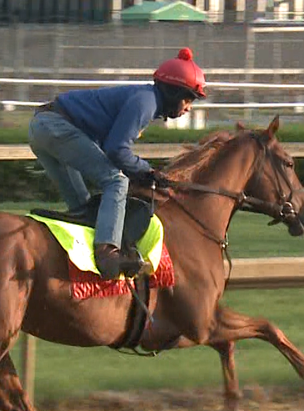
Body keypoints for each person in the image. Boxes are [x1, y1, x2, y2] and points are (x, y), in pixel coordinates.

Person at [28, 47, 207, 280]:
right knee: (116, 181)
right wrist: (147, 170)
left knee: (85, 210)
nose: (188, 108)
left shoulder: (144, 99)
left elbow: (108, 148)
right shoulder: (146, 102)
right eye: (187, 99)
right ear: (174, 93)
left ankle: (77, 267)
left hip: (42, 128)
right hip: (56, 127)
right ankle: (107, 255)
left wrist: (139, 171)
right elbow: (116, 150)